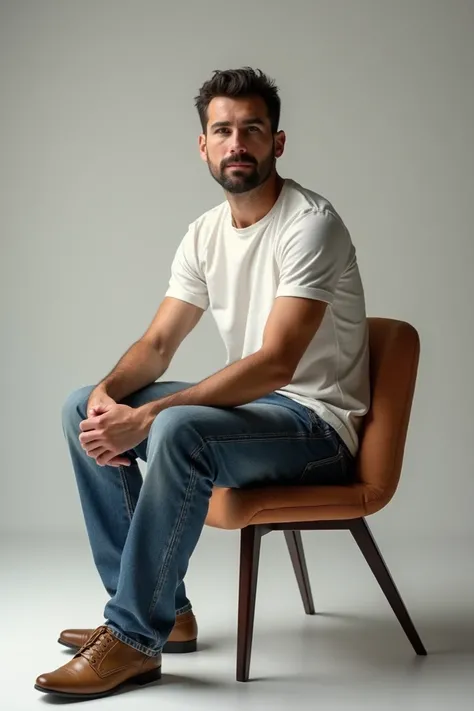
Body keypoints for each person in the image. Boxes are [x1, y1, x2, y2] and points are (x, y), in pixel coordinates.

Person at [35, 67, 370, 699]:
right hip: (256, 415)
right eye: (223, 130)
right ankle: (165, 612)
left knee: (180, 426)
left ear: (278, 142)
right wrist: (112, 393)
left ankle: (133, 638)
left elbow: (276, 363)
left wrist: (155, 417)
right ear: (204, 145)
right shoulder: (205, 232)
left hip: (316, 428)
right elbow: (159, 343)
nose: (237, 142)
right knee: (83, 406)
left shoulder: (311, 225)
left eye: (252, 129)